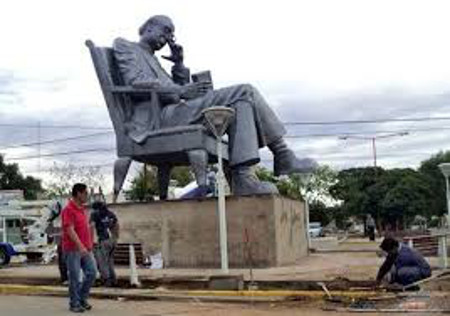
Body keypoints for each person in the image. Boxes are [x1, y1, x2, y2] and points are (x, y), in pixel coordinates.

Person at [113, 15, 318, 196]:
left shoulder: (153, 60)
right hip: (156, 118)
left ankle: (245, 177)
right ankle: (281, 156)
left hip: (173, 111)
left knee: (240, 101)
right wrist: (180, 91)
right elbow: (134, 81)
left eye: (171, 35)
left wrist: (179, 64)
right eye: (166, 31)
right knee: (244, 90)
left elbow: (176, 88)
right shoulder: (125, 46)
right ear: (149, 27)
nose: (167, 38)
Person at [61, 183, 97, 313]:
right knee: (75, 277)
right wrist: (80, 246)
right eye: (85, 193)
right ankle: (74, 303)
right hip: (72, 249)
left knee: (92, 273)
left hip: (86, 248)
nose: (87, 196)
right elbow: (70, 230)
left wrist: (89, 244)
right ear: (78, 193)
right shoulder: (68, 210)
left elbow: (84, 229)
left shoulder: (81, 209)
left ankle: (82, 298)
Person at [90, 201, 119, 287]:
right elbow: (116, 225)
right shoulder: (110, 213)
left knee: (102, 261)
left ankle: (107, 280)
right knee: (109, 260)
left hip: (104, 240)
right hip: (112, 240)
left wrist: (90, 240)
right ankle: (113, 279)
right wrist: (116, 238)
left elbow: (91, 226)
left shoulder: (95, 214)